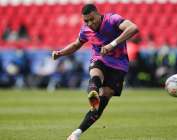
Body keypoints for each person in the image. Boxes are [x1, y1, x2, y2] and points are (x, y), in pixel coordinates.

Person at [51, 4, 138, 140]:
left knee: (103, 100)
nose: (90, 23)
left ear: (98, 14)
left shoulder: (112, 19)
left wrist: (112, 45)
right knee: (96, 72)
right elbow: (76, 44)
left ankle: (78, 131)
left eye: (92, 19)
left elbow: (133, 28)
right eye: (86, 21)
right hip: (100, 59)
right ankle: (93, 94)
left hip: (119, 65)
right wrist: (61, 53)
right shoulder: (85, 30)